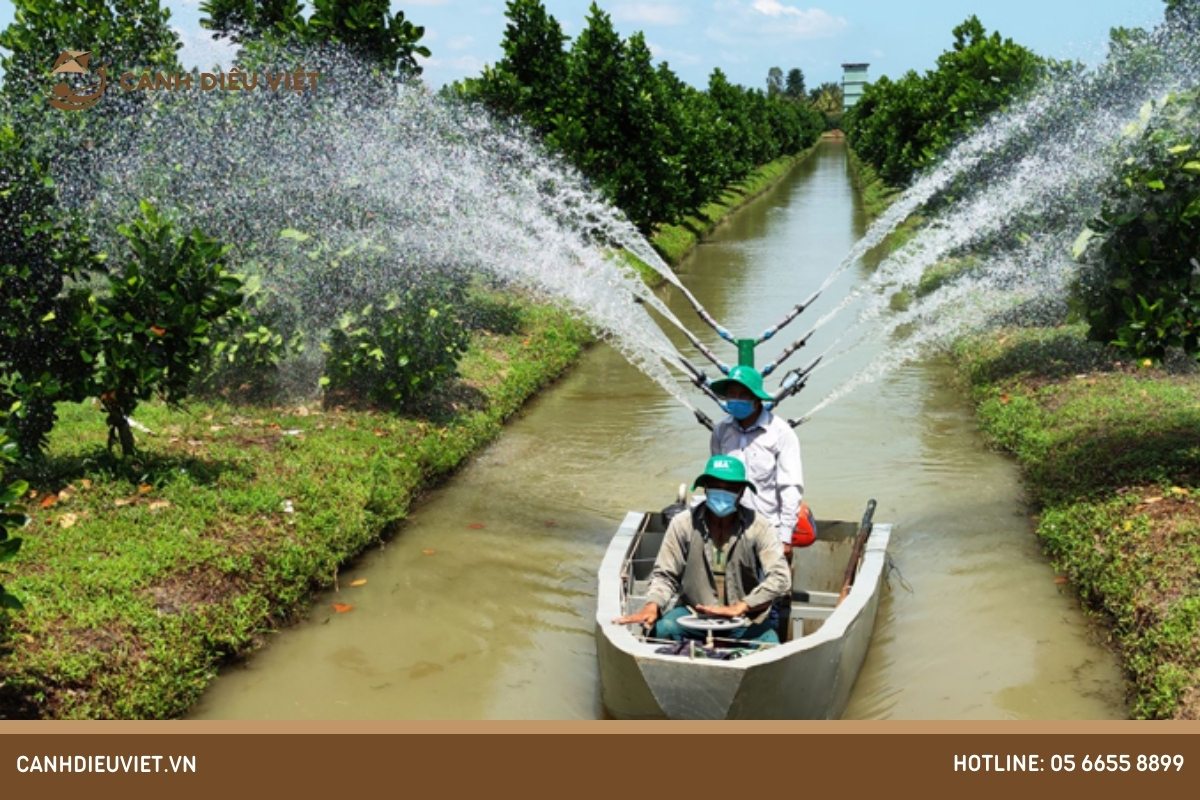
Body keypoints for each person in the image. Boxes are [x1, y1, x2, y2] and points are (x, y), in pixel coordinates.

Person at [614, 455, 791, 645]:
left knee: (770, 642)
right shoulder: (683, 523)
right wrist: (652, 605)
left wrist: (741, 606)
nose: (723, 493)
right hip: (693, 612)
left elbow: (780, 578)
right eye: (716, 486)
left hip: (744, 617)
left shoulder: (759, 527)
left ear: (741, 492)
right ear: (705, 488)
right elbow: (665, 575)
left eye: (731, 488)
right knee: (662, 629)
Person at [708, 365, 804, 559]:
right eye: (731, 394)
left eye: (742, 395)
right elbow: (715, 480)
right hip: (730, 523)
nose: (736, 400)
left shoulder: (780, 433)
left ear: (756, 398)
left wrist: (785, 536)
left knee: (773, 584)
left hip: (768, 525)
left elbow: (790, 486)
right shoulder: (721, 431)